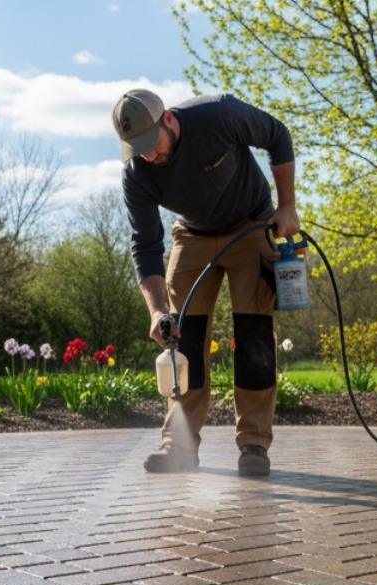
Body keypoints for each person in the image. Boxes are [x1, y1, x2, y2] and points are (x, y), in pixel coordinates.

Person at [111, 89, 299, 477]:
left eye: (151, 144)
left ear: (167, 119)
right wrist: (157, 312)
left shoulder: (219, 115)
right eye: (137, 148)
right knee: (183, 336)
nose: (148, 155)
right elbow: (145, 245)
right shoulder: (137, 174)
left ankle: (253, 444)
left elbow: (277, 135)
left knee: (254, 334)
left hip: (250, 224)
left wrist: (287, 206)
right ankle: (179, 444)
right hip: (192, 236)